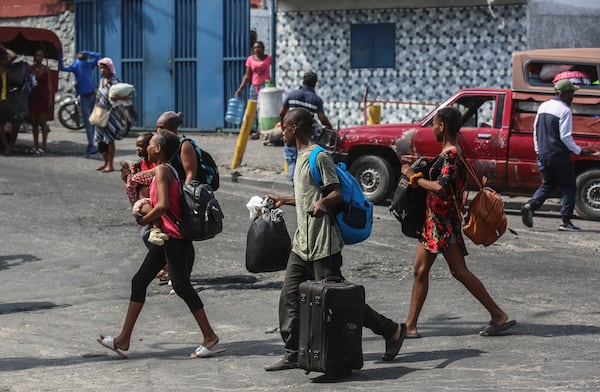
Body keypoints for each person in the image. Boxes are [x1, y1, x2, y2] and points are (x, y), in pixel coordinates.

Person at [264, 108, 406, 371]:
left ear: (295, 128)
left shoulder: (319, 157)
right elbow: (309, 196)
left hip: (323, 245)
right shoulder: (299, 157)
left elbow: (336, 193)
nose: (280, 131)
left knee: (340, 302)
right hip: (302, 244)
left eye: (283, 126)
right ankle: (293, 352)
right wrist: (284, 200)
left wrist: (324, 203)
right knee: (289, 297)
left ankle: (392, 330)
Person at [97, 129, 222, 359]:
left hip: (172, 239)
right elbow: (146, 185)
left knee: (182, 286)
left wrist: (143, 218)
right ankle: (123, 339)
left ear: (159, 149)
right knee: (140, 281)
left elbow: (163, 205)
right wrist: (131, 177)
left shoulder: (164, 170)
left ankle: (209, 336)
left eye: (150, 145)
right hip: (168, 239)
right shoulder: (165, 169)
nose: (146, 148)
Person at [400, 107, 515, 338]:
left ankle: (499, 315)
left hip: (443, 223)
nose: (432, 128)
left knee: (459, 271)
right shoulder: (448, 154)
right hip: (433, 222)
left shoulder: (451, 155)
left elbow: (441, 188)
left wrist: (415, 178)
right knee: (421, 270)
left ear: (442, 126)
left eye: (434, 124)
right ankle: (410, 325)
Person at [520, 79, 594, 231]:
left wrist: (538, 151)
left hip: (544, 154)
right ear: (565, 93)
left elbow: (536, 131)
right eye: (572, 93)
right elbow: (565, 137)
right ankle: (565, 222)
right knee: (569, 187)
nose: (573, 96)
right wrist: (579, 150)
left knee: (548, 184)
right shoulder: (564, 110)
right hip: (559, 155)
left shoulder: (543, 106)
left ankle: (530, 206)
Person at [279, 71, 332, 182]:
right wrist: (330, 127)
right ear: (315, 83)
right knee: (305, 163)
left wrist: (284, 129)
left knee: (292, 160)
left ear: (303, 81)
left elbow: (281, 113)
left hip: (291, 134)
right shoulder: (316, 100)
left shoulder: (292, 95)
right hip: (305, 137)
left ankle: (296, 185)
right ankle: (300, 186)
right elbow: (322, 119)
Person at [121, 132, 166, 247]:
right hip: (146, 203)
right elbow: (136, 184)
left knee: (146, 234)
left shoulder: (158, 164)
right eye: (136, 146)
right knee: (146, 235)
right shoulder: (140, 164)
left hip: (155, 203)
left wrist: (144, 220)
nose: (137, 149)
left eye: (141, 146)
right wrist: (128, 177)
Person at [59, 50, 102, 154]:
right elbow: (97, 55)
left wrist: (86, 53)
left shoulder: (84, 64)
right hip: (87, 95)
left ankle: (93, 144)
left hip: (90, 95)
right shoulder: (82, 65)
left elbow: (98, 56)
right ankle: (91, 144)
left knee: (92, 121)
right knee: (90, 121)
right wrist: (87, 53)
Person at [235, 41, 272, 139]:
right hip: (254, 86)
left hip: (265, 87)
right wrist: (240, 88)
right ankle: (253, 130)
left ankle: (261, 131)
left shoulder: (269, 58)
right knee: (253, 109)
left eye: (259, 47)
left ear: (263, 49)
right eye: (255, 48)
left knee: (263, 109)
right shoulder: (250, 59)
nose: (257, 49)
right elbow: (247, 75)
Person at [94, 57, 122, 173]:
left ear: (109, 68)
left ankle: (110, 164)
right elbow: (99, 97)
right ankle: (105, 162)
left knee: (109, 139)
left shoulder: (115, 81)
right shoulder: (101, 81)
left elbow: (124, 97)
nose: (102, 70)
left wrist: (117, 98)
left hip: (111, 114)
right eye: (100, 68)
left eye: (104, 68)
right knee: (100, 140)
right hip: (100, 112)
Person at [27, 49, 53, 154]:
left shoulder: (46, 69)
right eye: (37, 55)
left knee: (43, 122)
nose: (39, 57)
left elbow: (49, 85)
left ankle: (44, 145)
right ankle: (35, 145)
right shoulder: (30, 69)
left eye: (41, 56)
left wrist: (50, 99)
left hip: (43, 97)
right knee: (34, 123)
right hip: (33, 96)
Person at [0, 44, 19, 154]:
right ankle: (9, 146)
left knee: (14, 121)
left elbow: (13, 56)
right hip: (4, 99)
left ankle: (8, 146)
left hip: (4, 99)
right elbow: (13, 56)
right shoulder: (2, 66)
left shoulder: (2, 66)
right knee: (14, 121)